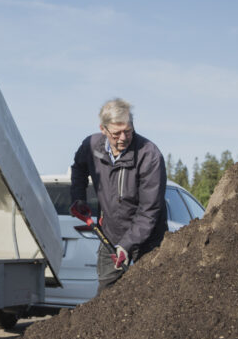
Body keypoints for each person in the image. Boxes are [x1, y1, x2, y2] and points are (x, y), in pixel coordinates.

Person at [69, 98, 167, 290]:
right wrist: (78, 198)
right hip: (111, 236)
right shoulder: (92, 146)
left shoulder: (149, 155)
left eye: (128, 131)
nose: (123, 138)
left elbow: (149, 210)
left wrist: (127, 244)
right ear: (103, 129)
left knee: (148, 296)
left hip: (148, 240)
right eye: (116, 133)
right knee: (107, 298)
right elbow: (78, 168)